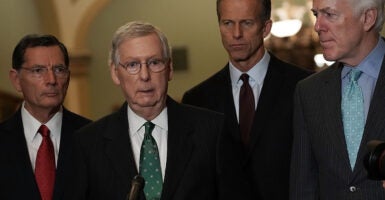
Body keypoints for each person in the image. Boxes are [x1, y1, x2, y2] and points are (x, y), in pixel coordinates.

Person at [68, 21, 224, 200]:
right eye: (133, 65)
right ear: (115, 73)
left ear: (170, 68)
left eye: (154, 62)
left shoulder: (212, 130)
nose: (144, 76)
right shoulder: (87, 143)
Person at [182, 0, 310, 199]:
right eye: (227, 23)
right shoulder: (197, 99)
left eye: (247, 23)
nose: (236, 34)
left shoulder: (304, 87)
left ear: (266, 27)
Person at [290, 0, 385, 198]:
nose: (317, 26)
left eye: (330, 14)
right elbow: (303, 187)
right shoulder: (308, 92)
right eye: (316, 14)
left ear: (368, 18)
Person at [0, 34, 91, 200]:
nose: (51, 80)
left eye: (59, 70)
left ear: (68, 77)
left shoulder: (94, 138)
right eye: (38, 71)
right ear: (16, 80)